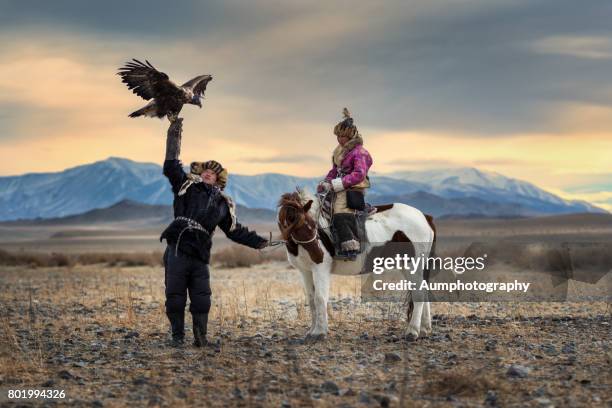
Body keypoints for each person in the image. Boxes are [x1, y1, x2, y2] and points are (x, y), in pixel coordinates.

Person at [160, 118, 268, 347]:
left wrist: (260, 243)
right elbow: (171, 167)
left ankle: (201, 339)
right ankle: (177, 338)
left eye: (213, 173)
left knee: (202, 298)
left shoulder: (222, 204)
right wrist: (174, 132)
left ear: (220, 180)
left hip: (200, 253)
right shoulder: (185, 186)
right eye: (206, 170)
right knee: (175, 297)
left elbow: (234, 231)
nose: (209, 174)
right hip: (177, 248)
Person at [317, 108, 373, 259]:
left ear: (349, 136)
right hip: (338, 185)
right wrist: (326, 182)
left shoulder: (360, 152)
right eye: (338, 136)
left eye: (342, 136)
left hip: (352, 189)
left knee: (340, 212)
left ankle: (350, 247)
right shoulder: (338, 151)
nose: (339, 139)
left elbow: (359, 174)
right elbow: (335, 170)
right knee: (320, 207)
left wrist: (339, 183)